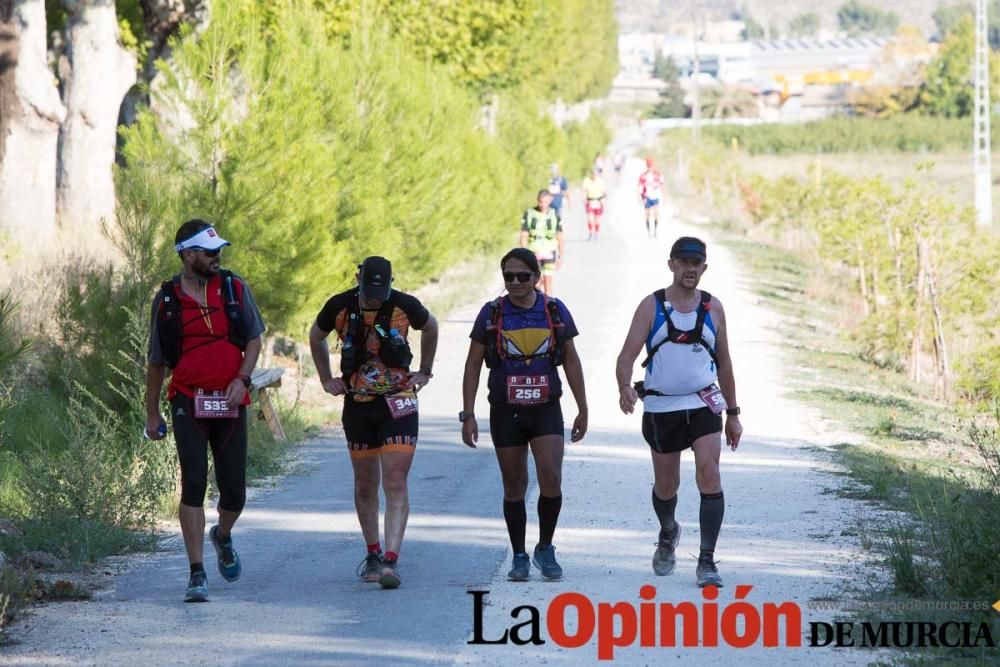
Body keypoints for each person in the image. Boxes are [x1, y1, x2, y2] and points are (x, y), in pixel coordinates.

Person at [145, 219, 266, 603]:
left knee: (234, 492)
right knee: (193, 482)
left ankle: (223, 535)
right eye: (208, 252)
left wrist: (242, 380)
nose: (217, 257)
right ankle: (197, 573)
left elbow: (253, 337)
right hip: (187, 400)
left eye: (219, 251)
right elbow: (156, 362)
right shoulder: (165, 301)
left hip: (231, 400)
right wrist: (152, 413)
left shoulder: (233, 288)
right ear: (186, 254)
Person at [614, 237, 742, 588]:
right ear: (671, 264)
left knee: (710, 474)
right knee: (667, 486)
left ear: (704, 267)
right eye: (684, 262)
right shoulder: (651, 306)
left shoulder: (713, 308)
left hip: (702, 404)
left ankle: (706, 561)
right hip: (661, 407)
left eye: (696, 263)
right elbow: (626, 355)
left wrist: (733, 413)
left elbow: (725, 361)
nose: (690, 268)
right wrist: (625, 386)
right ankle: (669, 530)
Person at [309, 256, 438, 589]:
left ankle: (391, 560)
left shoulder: (405, 305)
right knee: (365, 484)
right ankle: (373, 553)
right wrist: (326, 379)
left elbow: (431, 326)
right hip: (359, 406)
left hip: (399, 402)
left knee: (395, 480)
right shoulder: (339, 306)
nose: (374, 297)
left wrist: (425, 370)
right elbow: (316, 335)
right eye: (369, 290)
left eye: (381, 291)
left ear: (391, 283)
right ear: (358, 279)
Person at [461, 248, 588, 582]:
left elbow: (571, 361)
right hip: (506, 410)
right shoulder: (491, 314)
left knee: (551, 475)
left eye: (521, 276)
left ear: (535, 277)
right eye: (508, 276)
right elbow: (473, 364)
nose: (514, 282)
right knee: (514, 484)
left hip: (546, 408)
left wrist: (583, 408)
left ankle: (545, 547)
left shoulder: (555, 310)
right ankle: (519, 554)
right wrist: (468, 414)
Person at [519, 190, 564, 296]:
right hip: (533, 252)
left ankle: (547, 309)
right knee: (535, 283)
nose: (543, 205)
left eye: (545, 202)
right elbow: (524, 235)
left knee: (548, 282)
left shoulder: (555, 215)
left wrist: (560, 256)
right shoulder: (529, 213)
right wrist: (524, 254)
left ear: (550, 201)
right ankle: (537, 306)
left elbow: (560, 237)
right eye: (540, 202)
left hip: (549, 252)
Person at [637, 157, 665, 238]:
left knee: (656, 214)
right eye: (649, 166)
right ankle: (649, 232)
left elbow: (662, 184)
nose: (650, 167)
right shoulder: (644, 175)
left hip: (655, 197)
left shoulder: (658, 174)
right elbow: (639, 186)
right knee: (647, 216)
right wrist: (640, 197)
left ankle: (655, 231)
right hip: (647, 197)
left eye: (651, 165)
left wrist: (664, 196)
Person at [581, 166, 607, 242]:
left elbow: (604, 192)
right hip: (590, 201)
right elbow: (583, 190)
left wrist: (603, 200)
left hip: (598, 201)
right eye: (592, 173)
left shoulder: (601, 181)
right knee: (590, 219)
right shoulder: (587, 180)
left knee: (597, 220)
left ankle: (596, 233)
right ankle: (590, 232)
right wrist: (584, 199)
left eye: (595, 173)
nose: (594, 175)